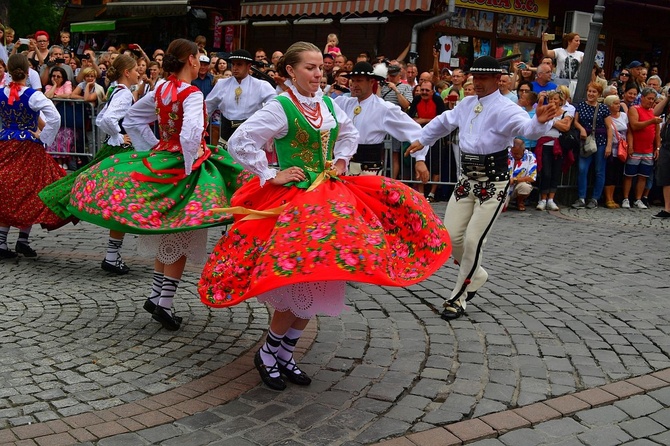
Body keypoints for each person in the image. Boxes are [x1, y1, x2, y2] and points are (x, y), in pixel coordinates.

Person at [198, 42, 451, 391]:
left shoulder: (329, 103)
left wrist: (342, 161)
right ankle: (269, 352)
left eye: (321, 68)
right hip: (294, 204)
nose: (319, 74)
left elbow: (349, 134)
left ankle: (285, 353)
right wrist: (271, 174)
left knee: (322, 277)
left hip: (329, 197)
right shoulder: (280, 106)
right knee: (299, 279)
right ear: (290, 71)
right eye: (310, 68)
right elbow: (241, 141)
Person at [67, 39, 246, 330]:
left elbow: (134, 119)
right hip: (186, 167)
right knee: (181, 234)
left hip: (163, 159)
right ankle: (163, 304)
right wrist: (190, 165)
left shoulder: (161, 88)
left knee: (168, 233)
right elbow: (190, 135)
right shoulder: (191, 94)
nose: (201, 62)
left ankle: (156, 296)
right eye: (199, 57)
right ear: (190, 59)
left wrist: (156, 148)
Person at [406, 55, 557, 321]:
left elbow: (526, 128)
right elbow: (444, 121)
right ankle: (477, 274)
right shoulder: (466, 104)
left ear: (498, 80)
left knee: (474, 240)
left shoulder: (505, 108)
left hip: (494, 184)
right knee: (450, 237)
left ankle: (458, 297)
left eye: (484, 78)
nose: (478, 82)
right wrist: (422, 139)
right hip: (466, 181)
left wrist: (540, 122)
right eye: (476, 77)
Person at [40, 54, 141, 274]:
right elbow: (106, 120)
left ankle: (112, 255)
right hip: (120, 152)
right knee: (120, 202)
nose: (137, 73)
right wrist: (119, 137)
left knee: (104, 192)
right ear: (127, 72)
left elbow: (100, 118)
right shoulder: (123, 94)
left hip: (115, 150)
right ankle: (112, 256)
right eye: (135, 70)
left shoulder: (116, 89)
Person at [0, 54, 66, 258]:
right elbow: (55, 117)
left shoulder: (1, 92)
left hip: (5, 144)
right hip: (28, 146)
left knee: (7, 187)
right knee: (31, 189)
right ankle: (22, 240)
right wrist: (43, 137)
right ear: (28, 72)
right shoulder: (33, 95)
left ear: (9, 71)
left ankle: (2, 242)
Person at [334, 61, 429, 178]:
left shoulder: (384, 108)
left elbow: (415, 131)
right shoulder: (343, 103)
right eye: (353, 80)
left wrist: (420, 159)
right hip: (343, 168)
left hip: (368, 171)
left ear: (371, 82)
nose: (354, 84)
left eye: (359, 81)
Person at [205, 49, 276, 146]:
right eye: (233, 64)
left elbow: (275, 106)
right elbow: (207, 108)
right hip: (226, 138)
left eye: (239, 64)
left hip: (251, 139)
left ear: (249, 66)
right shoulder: (222, 84)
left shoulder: (261, 85)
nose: (235, 68)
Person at [572, 82, 613, 209]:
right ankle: (581, 197)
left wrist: (609, 145)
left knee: (599, 170)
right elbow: (576, 121)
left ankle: (595, 198)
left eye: (594, 92)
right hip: (586, 141)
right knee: (582, 169)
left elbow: (609, 128)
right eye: (589, 91)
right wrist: (582, 129)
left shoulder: (603, 108)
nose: (591, 94)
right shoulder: (581, 106)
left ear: (599, 94)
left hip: (600, 141)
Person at [621, 87, 661, 209]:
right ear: (642, 98)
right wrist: (651, 121)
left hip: (648, 150)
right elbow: (634, 126)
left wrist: (657, 148)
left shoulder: (653, 112)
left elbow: (657, 133)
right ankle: (626, 198)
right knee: (629, 175)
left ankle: (638, 199)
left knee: (643, 176)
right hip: (636, 148)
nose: (650, 101)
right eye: (649, 98)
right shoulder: (634, 109)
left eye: (653, 99)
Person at [407, 79, 446, 200]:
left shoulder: (437, 100)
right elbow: (410, 115)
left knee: (436, 164)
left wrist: (424, 120)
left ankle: (432, 194)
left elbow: (442, 118)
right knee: (420, 162)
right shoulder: (417, 99)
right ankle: (421, 193)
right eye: (422, 90)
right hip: (421, 135)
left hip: (436, 136)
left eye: (427, 90)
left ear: (433, 92)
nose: (423, 92)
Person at [535, 89, 573, 211]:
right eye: (550, 99)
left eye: (555, 99)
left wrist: (550, 121)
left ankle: (551, 199)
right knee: (545, 172)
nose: (552, 101)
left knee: (556, 172)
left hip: (558, 145)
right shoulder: (544, 111)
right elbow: (539, 122)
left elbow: (566, 127)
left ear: (560, 100)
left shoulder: (565, 112)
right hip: (544, 144)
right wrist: (557, 122)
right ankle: (542, 199)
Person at [603, 94, 627, 209]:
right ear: (609, 105)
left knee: (618, 173)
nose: (618, 105)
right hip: (611, 149)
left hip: (622, 149)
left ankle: (614, 197)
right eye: (615, 103)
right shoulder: (606, 117)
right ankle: (608, 198)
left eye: (619, 103)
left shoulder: (623, 115)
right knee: (610, 174)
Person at [505, 138, 536, 211]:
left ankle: (520, 202)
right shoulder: (506, 154)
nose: (514, 155)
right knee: (502, 208)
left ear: (523, 150)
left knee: (526, 187)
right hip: (504, 186)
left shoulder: (531, 157)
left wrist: (515, 180)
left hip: (518, 185)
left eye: (517, 153)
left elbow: (532, 178)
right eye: (513, 153)